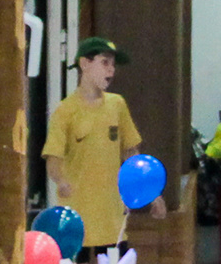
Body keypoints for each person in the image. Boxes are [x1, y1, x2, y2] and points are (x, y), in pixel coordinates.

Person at [44, 39, 149, 246]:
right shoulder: (65, 111)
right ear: (84, 64)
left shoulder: (117, 105)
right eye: (104, 63)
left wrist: (150, 192)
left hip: (112, 219)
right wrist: (61, 181)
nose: (111, 70)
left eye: (113, 65)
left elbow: (131, 152)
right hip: (77, 219)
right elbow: (53, 158)